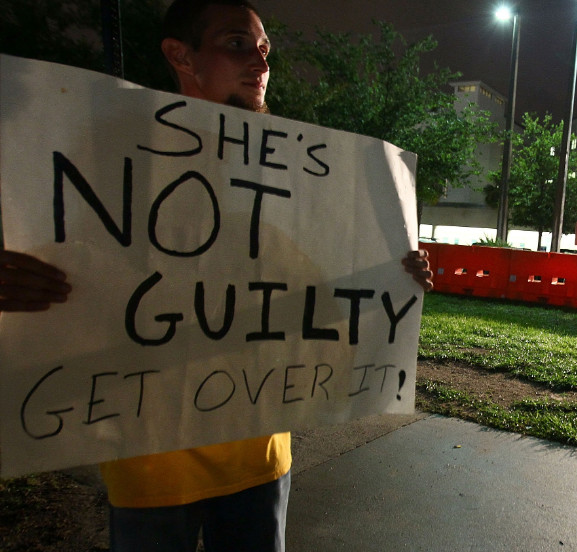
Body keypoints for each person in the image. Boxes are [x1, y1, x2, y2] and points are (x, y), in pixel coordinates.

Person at [0, 1, 433, 550]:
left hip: (260, 457)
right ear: (180, 55)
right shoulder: (109, 152)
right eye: (236, 44)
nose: (259, 62)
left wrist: (397, 276)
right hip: (151, 466)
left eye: (264, 50)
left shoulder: (288, 168)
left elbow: (317, 292)